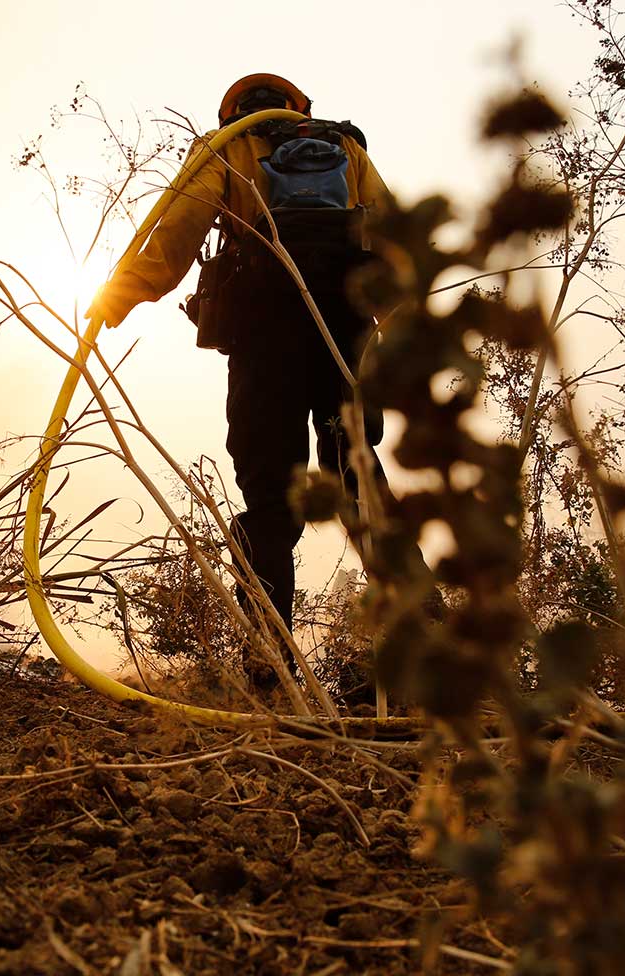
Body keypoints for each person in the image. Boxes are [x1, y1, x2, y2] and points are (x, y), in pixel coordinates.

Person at [88, 73, 394, 683]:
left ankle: (271, 671)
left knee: (270, 498)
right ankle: (432, 658)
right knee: (358, 481)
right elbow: (394, 243)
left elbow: (177, 229)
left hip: (264, 338)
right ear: (296, 107)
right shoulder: (345, 147)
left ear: (235, 111)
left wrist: (117, 298)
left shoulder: (227, 146)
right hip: (344, 337)